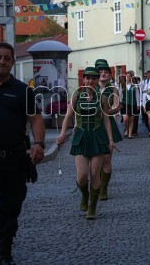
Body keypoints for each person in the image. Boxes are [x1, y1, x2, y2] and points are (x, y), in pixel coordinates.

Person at [0, 42, 45, 265]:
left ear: (13, 62)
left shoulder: (23, 90)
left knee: (10, 205)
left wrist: (39, 144)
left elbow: (35, 119)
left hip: (13, 157)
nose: (2, 61)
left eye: (6, 58)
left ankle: (5, 250)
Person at [56, 67, 115, 220]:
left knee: (95, 174)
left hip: (97, 137)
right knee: (82, 176)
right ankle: (84, 195)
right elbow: (68, 116)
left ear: (97, 81)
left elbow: (106, 120)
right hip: (81, 137)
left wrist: (110, 140)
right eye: (87, 78)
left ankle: (92, 207)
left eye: (93, 78)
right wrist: (63, 133)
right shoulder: (76, 95)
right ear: (84, 79)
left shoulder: (102, 98)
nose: (90, 81)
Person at [95, 59, 123, 201]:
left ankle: (103, 188)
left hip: (108, 125)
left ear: (110, 76)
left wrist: (106, 111)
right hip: (93, 126)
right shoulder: (89, 88)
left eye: (106, 72)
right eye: (100, 72)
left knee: (107, 158)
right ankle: (96, 183)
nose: (103, 74)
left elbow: (117, 107)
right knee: (95, 158)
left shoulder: (113, 89)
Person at [121, 71, 140, 139]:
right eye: (127, 76)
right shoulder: (122, 85)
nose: (128, 78)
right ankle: (126, 129)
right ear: (125, 77)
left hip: (133, 104)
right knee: (126, 119)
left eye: (130, 76)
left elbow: (137, 95)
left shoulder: (135, 85)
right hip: (124, 104)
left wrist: (138, 104)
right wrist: (120, 102)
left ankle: (130, 133)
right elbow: (120, 95)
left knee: (132, 119)